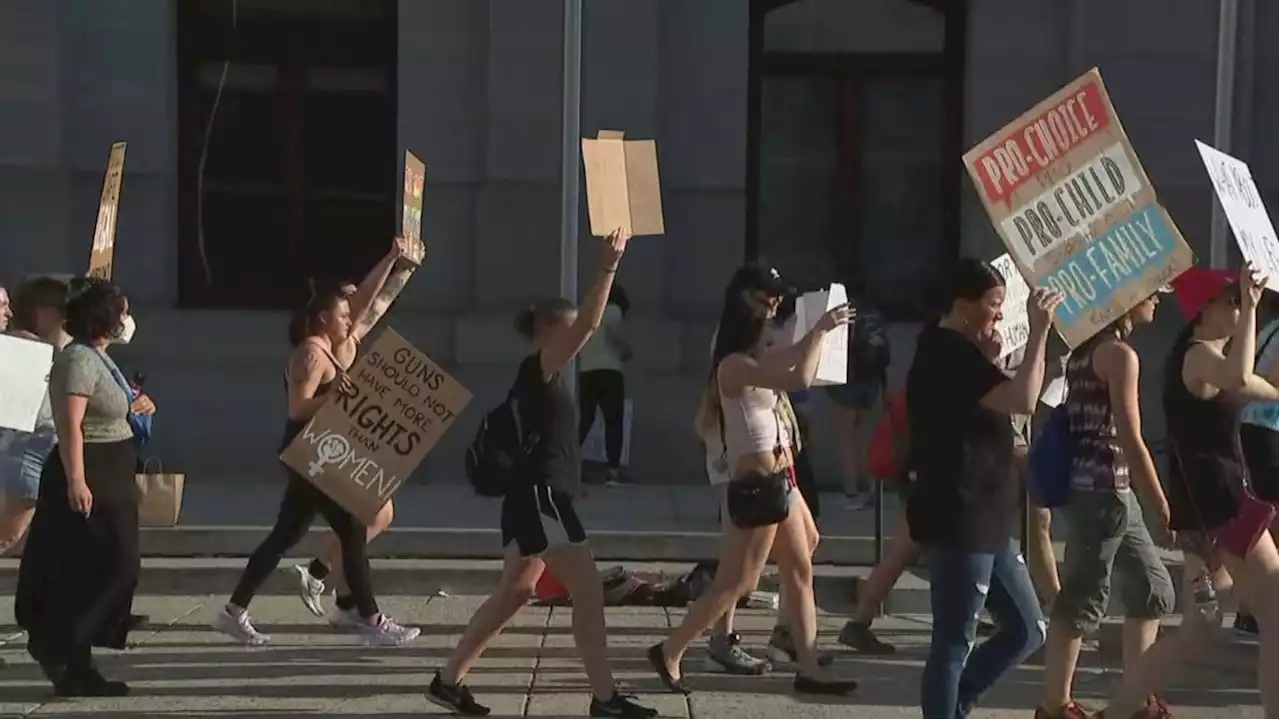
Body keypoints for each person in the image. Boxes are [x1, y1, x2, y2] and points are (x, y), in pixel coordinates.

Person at [428, 228, 657, 719]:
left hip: (538, 497)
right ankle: (605, 698)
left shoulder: (539, 378)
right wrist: (607, 266)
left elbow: (551, 444)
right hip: (539, 499)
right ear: (552, 331)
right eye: (571, 331)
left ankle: (448, 681)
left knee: (518, 590)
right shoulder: (540, 368)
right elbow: (591, 324)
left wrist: (574, 487)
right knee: (588, 587)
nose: (579, 340)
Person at [647, 265, 858, 697]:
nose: (774, 309)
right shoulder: (733, 365)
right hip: (758, 482)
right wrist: (820, 330)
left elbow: (798, 356)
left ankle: (810, 666)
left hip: (780, 477)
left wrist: (820, 332)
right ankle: (670, 649)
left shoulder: (758, 355)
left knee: (801, 564)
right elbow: (798, 377)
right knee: (739, 581)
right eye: (767, 302)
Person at [1091, 264, 1280, 718]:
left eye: (1240, 299)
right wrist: (1255, 308)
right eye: (1231, 299)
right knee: (1276, 614)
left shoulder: (1204, 355)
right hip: (1223, 506)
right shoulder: (1199, 357)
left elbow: (1261, 386)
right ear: (1204, 310)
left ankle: (1115, 713)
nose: (1238, 305)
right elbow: (1238, 377)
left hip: (1203, 511)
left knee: (1202, 624)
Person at [215, 237, 420, 647]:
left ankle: (233, 611)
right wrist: (335, 396)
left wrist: (399, 262)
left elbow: (371, 303)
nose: (350, 318)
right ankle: (371, 620)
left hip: (317, 453)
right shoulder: (310, 354)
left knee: (284, 536)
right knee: (352, 529)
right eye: (342, 313)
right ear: (323, 317)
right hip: (311, 454)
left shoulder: (331, 347)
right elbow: (297, 408)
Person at [907, 258, 1062, 719]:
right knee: (955, 640)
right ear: (963, 306)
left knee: (1028, 628)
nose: (1000, 314)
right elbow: (1024, 401)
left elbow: (978, 408)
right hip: (961, 514)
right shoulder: (947, 352)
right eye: (994, 304)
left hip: (989, 518)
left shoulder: (963, 353)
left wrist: (991, 359)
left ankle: (956, 702)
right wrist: (1039, 333)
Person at [1037, 295, 1176, 719]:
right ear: (1126, 300)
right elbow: (1132, 440)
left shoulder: (1084, 351)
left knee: (1154, 590)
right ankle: (1055, 707)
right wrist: (1164, 507)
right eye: (1151, 293)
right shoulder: (1119, 355)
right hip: (1101, 492)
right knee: (1082, 599)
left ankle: (1136, 700)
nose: (1156, 301)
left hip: (1110, 492)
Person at [14, 279, 141, 696]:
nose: (126, 320)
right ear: (103, 317)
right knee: (107, 567)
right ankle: (56, 644)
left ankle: (77, 664)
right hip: (92, 474)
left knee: (100, 568)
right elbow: (70, 424)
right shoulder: (78, 361)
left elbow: (109, 405)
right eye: (121, 312)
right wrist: (76, 480)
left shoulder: (100, 358)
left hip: (114, 472)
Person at [289, 239, 418, 623]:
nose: (351, 311)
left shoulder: (347, 340)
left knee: (369, 516)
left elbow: (380, 301)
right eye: (344, 305)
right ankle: (317, 574)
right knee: (373, 515)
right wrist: (394, 258)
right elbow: (370, 299)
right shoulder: (327, 346)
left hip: (338, 441)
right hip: (322, 445)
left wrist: (406, 267)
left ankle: (343, 600)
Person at [0, 277, 72, 555]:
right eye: (3, 306)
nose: (10, 313)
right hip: (24, 458)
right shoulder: (21, 349)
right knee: (6, 537)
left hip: (40, 458)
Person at [1233, 287, 1280, 637]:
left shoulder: (1269, 328)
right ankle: (1258, 608)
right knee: (1270, 518)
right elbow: (1274, 380)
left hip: (1254, 427)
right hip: (1269, 429)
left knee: (1264, 515)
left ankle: (1250, 608)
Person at [825, 282, 889, 510]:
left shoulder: (842, 316)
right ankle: (870, 487)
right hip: (870, 382)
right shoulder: (874, 315)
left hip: (847, 381)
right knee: (864, 438)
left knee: (845, 439)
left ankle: (850, 493)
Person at [578, 283, 632, 486]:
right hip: (609, 371)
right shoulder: (612, 310)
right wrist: (627, 352)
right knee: (613, 421)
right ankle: (613, 471)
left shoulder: (587, 312)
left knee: (585, 419)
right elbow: (615, 336)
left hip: (587, 372)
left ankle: (569, 463)